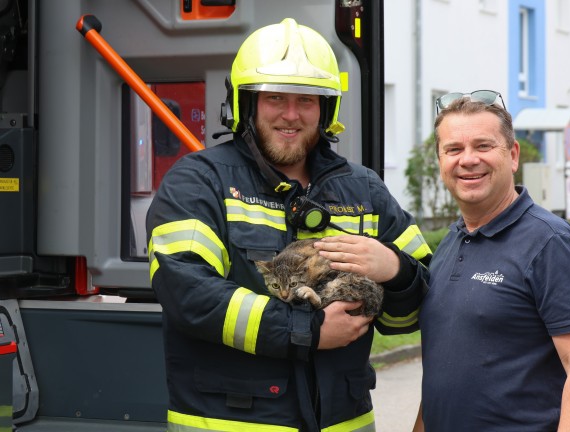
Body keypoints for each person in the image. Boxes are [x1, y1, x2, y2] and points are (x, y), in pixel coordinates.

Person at [146, 18, 432, 432]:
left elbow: (421, 309)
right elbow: (187, 293)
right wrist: (308, 330)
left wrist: (396, 270)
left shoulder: (365, 188)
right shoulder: (198, 180)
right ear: (246, 104)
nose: (291, 114)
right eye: (275, 97)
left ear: (326, 109)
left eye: (307, 100)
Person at [412, 91, 570, 431]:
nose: (468, 159)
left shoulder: (550, 242)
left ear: (512, 155)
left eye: (484, 146)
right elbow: (443, 373)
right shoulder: (450, 241)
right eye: (454, 149)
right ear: (440, 160)